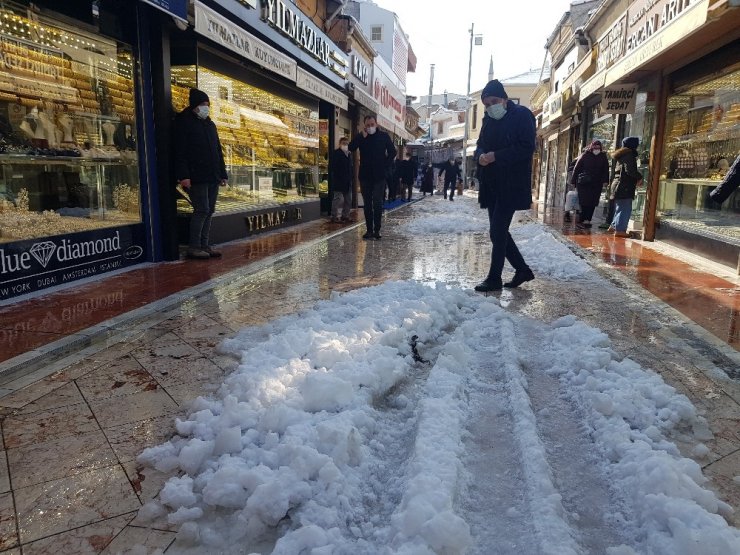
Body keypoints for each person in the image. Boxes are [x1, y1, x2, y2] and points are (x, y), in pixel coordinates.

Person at [474, 79, 536, 292]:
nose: (491, 107)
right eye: (486, 104)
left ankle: (494, 278)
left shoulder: (522, 115)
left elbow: (526, 147)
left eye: (494, 101)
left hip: (511, 183)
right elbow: (480, 144)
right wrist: (481, 155)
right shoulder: (488, 119)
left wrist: (496, 157)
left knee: (498, 230)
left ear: (504, 99)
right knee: (496, 232)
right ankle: (522, 270)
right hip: (491, 183)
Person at [174, 88, 228, 259]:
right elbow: (179, 152)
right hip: (196, 176)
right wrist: (183, 176)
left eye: (208, 105)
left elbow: (218, 151)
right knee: (202, 210)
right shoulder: (184, 122)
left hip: (212, 175)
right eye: (204, 104)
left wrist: (222, 173)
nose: (206, 108)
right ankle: (194, 246)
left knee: (210, 210)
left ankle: (205, 245)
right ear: (195, 105)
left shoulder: (210, 124)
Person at [348, 115, 396, 240]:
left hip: (379, 176)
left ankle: (377, 230)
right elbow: (351, 147)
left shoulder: (384, 136)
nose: (370, 127)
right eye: (368, 125)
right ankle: (369, 230)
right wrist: (360, 136)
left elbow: (393, 152)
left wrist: (385, 165)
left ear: (376, 124)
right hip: (365, 176)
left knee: (377, 202)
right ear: (365, 126)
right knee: (367, 204)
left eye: (372, 124)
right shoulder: (362, 137)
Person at [569, 140, 609, 227]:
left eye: (598, 148)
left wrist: (605, 181)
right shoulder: (585, 155)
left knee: (593, 202)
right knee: (584, 201)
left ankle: (588, 219)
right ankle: (582, 219)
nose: (596, 149)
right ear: (591, 147)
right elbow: (576, 168)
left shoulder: (603, 157)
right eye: (595, 147)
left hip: (596, 183)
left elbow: (606, 170)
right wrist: (573, 181)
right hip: (584, 183)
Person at [608, 136, 642, 238]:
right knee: (625, 208)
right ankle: (620, 230)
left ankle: (614, 226)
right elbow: (630, 170)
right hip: (624, 185)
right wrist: (639, 177)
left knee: (620, 207)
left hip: (618, 184)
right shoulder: (629, 155)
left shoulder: (623, 154)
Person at [330, 136, 353, 223]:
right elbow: (333, 166)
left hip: (347, 181)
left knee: (348, 199)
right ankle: (334, 216)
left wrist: (351, 178)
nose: (345, 145)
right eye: (344, 143)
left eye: (347, 144)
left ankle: (345, 215)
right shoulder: (336, 153)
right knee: (337, 199)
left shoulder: (349, 154)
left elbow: (350, 167)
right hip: (339, 180)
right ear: (340, 144)